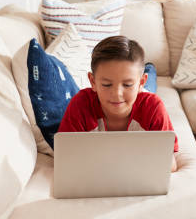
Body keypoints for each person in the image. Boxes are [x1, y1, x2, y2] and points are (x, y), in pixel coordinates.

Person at [58, 36, 178, 172]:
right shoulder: (80, 104)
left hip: (142, 94)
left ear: (141, 83)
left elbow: (171, 164)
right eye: (107, 84)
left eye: (127, 84)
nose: (117, 94)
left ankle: (150, 70)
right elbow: (65, 157)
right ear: (92, 82)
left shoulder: (153, 106)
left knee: (150, 84)